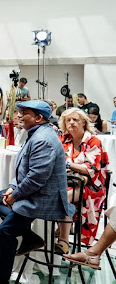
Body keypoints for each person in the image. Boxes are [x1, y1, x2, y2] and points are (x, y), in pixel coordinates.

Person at [0, 100, 74, 284]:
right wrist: (12, 187)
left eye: (24, 112)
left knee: (6, 230)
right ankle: (28, 235)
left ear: (38, 118)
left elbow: (36, 179)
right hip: (35, 192)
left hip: (44, 198)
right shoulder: (37, 133)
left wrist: (15, 196)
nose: (18, 115)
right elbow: (23, 170)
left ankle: (0, 280)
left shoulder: (43, 139)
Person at [54, 108, 109, 253]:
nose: (71, 123)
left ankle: (64, 240)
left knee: (65, 196)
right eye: (68, 120)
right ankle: (64, 225)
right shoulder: (64, 139)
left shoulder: (93, 141)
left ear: (84, 122)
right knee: (54, 192)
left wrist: (68, 165)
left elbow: (92, 169)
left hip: (92, 186)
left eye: (75, 119)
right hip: (68, 182)